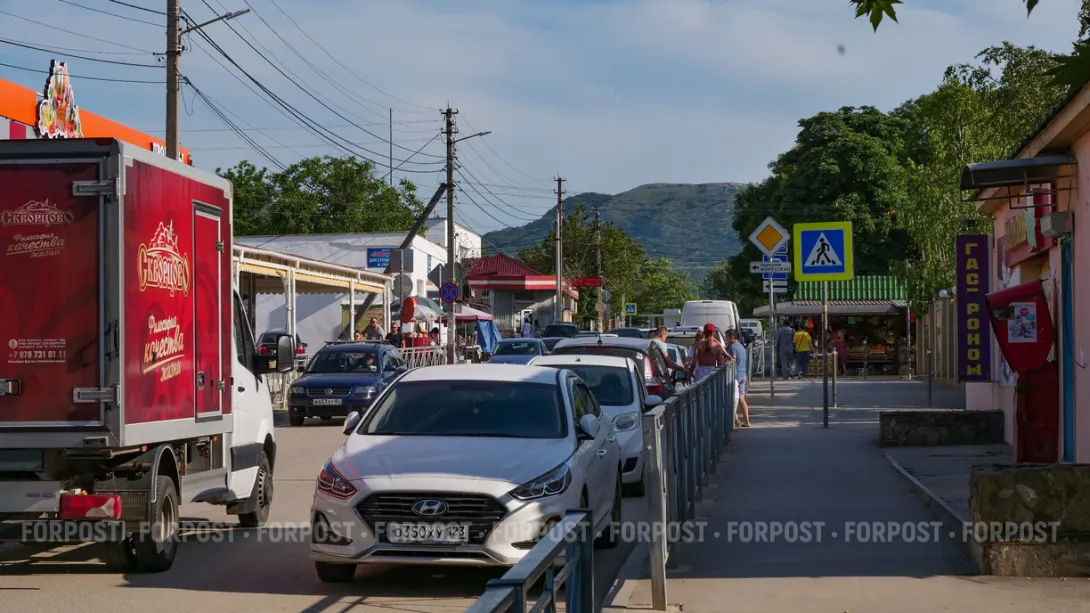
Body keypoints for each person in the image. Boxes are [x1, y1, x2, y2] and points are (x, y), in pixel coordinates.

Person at [726, 329, 751, 427]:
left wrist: (726, 359)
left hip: (735, 376)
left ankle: (735, 421)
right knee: (741, 399)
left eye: (727, 337)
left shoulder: (732, 347)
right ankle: (747, 421)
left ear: (732, 337)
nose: (726, 339)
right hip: (743, 375)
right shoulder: (741, 346)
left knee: (733, 399)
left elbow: (733, 358)